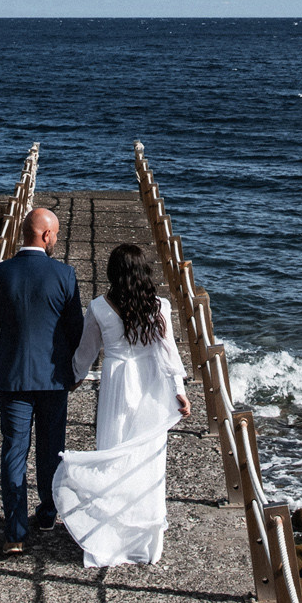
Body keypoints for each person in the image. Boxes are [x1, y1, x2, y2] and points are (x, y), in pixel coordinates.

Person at [49, 242, 190, 567]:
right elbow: (168, 352)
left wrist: (74, 376)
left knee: (113, 457)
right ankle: (147, 545)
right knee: (148, 462)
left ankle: (110, 538)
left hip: (117, 387)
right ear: (144, 273)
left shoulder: (99, 307)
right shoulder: (160, 306)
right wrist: (178, 390)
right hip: (152, 387)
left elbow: (86, 353)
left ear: (112, 272)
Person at [0, 205, 83, 555]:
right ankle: (49, 514)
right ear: (46, 235)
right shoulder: (64, 275)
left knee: (13, 453)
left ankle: (15, 533)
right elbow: (75, 331)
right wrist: (76, 372)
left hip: (11, 377)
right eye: (56, 234)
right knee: (51, 452)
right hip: (53, 379)